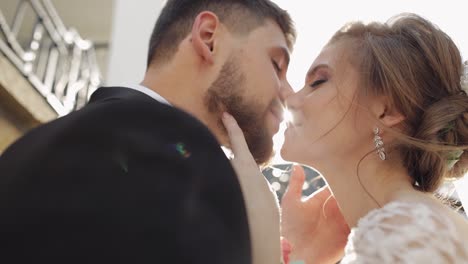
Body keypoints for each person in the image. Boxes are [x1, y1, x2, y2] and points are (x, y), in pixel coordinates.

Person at [0, 1, 296, 263]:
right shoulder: (179, 154)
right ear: (208, 38)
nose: (287, 91)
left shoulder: (30, 148)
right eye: (276, 64)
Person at [225, 13, 468, 263]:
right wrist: (302, 253)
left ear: (387, 111)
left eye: (318, 82)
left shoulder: (406, 231)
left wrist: (262, 233)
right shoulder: (403, 228)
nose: (290, 98)